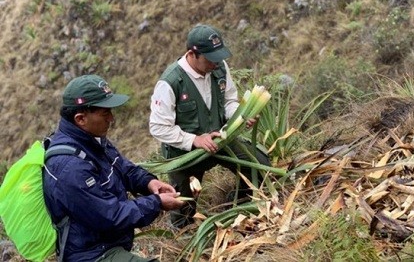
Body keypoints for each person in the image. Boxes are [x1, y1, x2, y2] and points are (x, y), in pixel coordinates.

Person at [43, 74, 185, 262]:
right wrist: (156, 203)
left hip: (109, 243)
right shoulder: (70, 167)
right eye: (105, 113)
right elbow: (110, 215)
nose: (112, 118)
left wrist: (149, 183)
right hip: (92, 254)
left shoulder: (91, 139)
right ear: (81, 118)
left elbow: (123, 168)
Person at [149, 24, 271, 228]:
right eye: (210, 58)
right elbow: (158, 127)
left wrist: (241, 117)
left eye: (218, 56)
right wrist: (195, 140)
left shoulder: (219, 67)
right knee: (183, 214)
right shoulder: (170, 83)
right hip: (186, 155)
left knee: (260, 166)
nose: (216, 63)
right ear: (192, 54)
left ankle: (238, 206)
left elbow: (230, 101)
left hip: (220, 140)